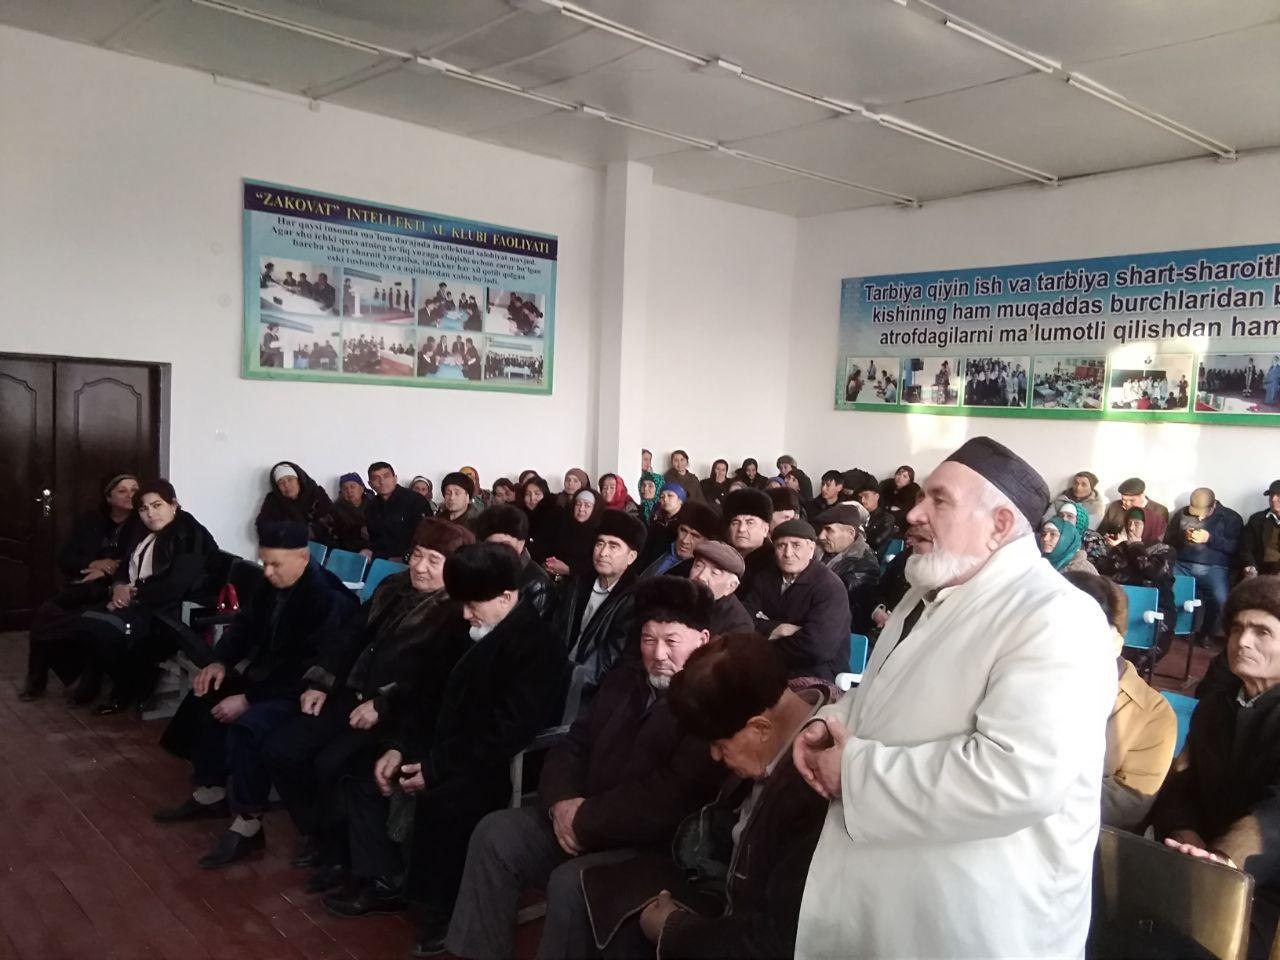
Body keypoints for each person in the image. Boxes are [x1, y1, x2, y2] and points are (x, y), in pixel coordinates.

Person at [791, 436, 1115, 959]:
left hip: (979, 919)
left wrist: (852, 771)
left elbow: (1016, 777)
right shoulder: (926, 593)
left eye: (939, 500)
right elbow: (884, 692)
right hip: (892, 889)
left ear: (1000, 525)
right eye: (921, 495)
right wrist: (831, 721)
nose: (914, 513)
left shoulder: (1057, 617)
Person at [439, 577, 723, 959]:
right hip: (578, 819)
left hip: (647, 847)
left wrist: (584, 819)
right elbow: (574, 743)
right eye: (648, 639)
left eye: (671, 641)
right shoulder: (624, 681)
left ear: (702, 640)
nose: (658, 654)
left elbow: (668, 798)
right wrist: (560, 803)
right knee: (496, 833)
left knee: (573, 883)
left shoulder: (710, 705)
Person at [326, 544, 564, 948]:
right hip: (439, 743)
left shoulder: (538, 646)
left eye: (473, 606)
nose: (465, 614)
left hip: (489, 760)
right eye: (463, 605)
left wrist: (435, 768)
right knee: (365, 768)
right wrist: (400, 745)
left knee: (448, 800)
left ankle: (444, 908)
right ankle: (385, 879)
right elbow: (424, 692)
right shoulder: (462, 626)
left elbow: (506, 730)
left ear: (506, 597)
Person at [580, 632, 833, 959]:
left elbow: (772, 942)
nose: (714, 756)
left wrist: (673, 929)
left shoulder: (813, 791)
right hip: (715, 885)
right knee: (594, 895)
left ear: (760, 728)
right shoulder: (775, 719)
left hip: (741, 929)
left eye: (720, 745)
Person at [262, 519, 473, 892]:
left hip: (397, 712)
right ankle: (316, 831)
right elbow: (350, 635)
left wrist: (383, 703)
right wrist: (322, 679)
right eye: (417, 556)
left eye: (434, 560)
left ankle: (338, 853)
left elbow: (434, 679)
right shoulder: (393, 586)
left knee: (332, 764)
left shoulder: (457, 612)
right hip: (350, 694)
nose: (420, 567)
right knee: (281, 748)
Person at [153, 522, 361, 867]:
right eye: (264, 562)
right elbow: (244, 627)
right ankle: (211, 792)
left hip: (303, 689)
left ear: (303, 557)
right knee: (207, 693)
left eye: (275, 564)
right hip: (266, 677)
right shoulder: (271, 584)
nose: (267, 571)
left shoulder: (329, 599)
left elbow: (310, 668)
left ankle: (248, 823)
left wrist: (249, 699)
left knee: (248, 726)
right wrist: (220, 662)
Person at [1152, 576, 1280, 960]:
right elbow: (1182, 781)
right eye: (1237, 628)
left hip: (1262, 884)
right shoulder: (1214, 707)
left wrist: (1224, 860)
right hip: (1193, 861)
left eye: (1262, 632)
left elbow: (1276, 816)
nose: (1242, 641)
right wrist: (1185, 834)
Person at [77, 479, 219, 713]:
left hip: (172, 614)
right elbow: (125, 565)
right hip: (145, 603)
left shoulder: (190, 534)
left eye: (157, 505)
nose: (150, 514)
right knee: (85, 622)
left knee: (109, 630)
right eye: (144, 508)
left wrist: (133, 595)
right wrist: (119, 586)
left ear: (173, 504)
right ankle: (118, 686)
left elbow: (176, 586)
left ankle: (126, 690)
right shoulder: (145, 530)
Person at [1062, 571, 1176, 831]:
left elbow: (1126, 804)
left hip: (1080, 835)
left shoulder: (1151, 714)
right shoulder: (1020, 676)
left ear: (1115, 642)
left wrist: (1030, 788)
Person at [21, 473, 142, 701]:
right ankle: (36, 679)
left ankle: (90, 682)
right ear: (108, 497)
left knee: (91, 621)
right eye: (122, 491)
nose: (130, 495)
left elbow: (136, 560)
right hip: (84, 584)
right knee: (46, 612)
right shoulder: (91, 521)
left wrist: (108, 569)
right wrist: (93, 563)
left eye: (135, 490)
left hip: (112, 588)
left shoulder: (141, 524)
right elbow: (65, 556)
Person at [551, 510, 647, 719]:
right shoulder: (579, 583)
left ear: (631, 557)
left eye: (614, 546)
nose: (603, 553)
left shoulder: (635, 598)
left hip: (590, 693)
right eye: (600, 543)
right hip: (556, 676)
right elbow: (557, 628)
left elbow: (610, 657)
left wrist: (571, 680)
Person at [737, 519, 851, 683]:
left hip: (816, 674)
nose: (788, 553)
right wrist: (779, 629)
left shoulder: (830, 588)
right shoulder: (764, 578)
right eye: (781, 546)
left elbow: (817, 648)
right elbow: (742, 623)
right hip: (765, 667)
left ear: (811, 549)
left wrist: (762, 635)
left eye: (796, 545)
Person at [1166, 487, 1243, 640]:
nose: (1199, 518)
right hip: (1183, 564)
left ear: (1213, 505)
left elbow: (1235, 547)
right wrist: (1183, 536)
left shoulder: (1230, 517)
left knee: (1220, 600)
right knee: (1168, 589)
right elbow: (1169, 541)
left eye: (1203, 513)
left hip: (1214, 567)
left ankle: (1207, 633)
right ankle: (1179, 629)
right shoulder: (1182, 514)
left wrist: (1210, 539)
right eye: (1195, 513)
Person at [474, 504, 555, 619]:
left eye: (504, 545)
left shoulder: (537, 584)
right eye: (491, 544)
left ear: (521, 544)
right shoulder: (481, 570)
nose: (497, 550)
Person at [814, 503, 881, 633]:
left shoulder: (865, 565)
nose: (821, 536)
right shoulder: (816, 549)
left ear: (850, 533)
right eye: (821, 529)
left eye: (829, 530)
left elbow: (830, 598)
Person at [254, 461, 334, 543]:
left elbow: (332, 521)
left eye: (290, 479)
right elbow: (262, 527)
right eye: (281, 482)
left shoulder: (316, 494)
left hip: (323, 546)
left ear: (299, 480)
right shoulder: (273, 501)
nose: (286, 485)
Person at [365, 461, 431, 560]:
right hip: (379, 560)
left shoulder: (415, 500)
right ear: (370, 484)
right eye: (376, 478)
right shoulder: (371, 507)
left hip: (410, 560)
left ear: (395, 478)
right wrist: (368, 549)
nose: (382, 482)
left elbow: (426, 538)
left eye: (386, 476)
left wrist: (405, 558)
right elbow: (374, 538)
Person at [639, 501, 721, 579]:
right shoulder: (655, 543)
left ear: (706, 541)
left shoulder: (697, 574)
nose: (685, 540)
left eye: (695, 536)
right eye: (683, 530)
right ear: (677, 528)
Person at [690, 540, 754, 636]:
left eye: (715, 573)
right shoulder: (672, 594)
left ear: (731, 586)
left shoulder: (739, 625)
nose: (701, 576)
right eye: (698, 566)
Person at [722, 488, 774, 594]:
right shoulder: (719, 557)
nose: (741, 529)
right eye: (735, 522)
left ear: (765, 529)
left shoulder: (774, 565)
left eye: (750, 523)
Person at [546, 489, 604, 578]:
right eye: (578, 504)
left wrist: (570, 570)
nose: (581, 509)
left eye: (587, 505)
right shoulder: (562, 523)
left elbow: (597, 562)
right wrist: (548, 563)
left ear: (595, 509)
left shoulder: (600, 533)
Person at [1099, 477, 1169, 543]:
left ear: (1142, 495)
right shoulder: (1115, 506)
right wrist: (1108, 538)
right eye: (1124, 500)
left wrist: (1122, 545)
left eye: (1132, 500)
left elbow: (1157, 543)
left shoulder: (1159, 511)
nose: (1127, 504)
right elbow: (1101, 531)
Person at [1240, 480, 1280, 578]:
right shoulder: (1256, 519)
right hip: (1262, 570)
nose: (1273, 499)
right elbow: (1246, 548)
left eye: (1278, 495)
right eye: (1271, 495)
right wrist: (1251, 565)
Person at [329, 473, 372, 554]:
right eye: (345, 488)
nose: (349, 491)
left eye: (352, 487)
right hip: (348, 551)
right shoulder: (335, 510)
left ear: (362, 489)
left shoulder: (373, 504)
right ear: (341, 492)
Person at [854, 483, 896, 550]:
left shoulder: (886, 518)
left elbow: (877, 542)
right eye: (860, 497)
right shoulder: (854, 514)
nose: (862, 500)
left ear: (877, 496)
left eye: (866, 496)